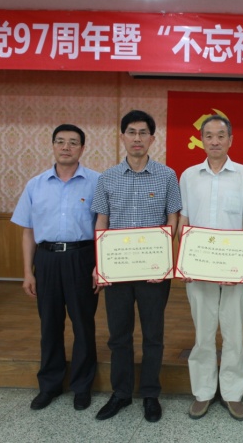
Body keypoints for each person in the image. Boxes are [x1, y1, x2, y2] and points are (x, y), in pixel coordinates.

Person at [91, 110, 182, 423]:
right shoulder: (107, 178)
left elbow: (173, 219)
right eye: (131, 132)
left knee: (153, 335)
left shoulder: (167, 176)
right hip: (117, 270)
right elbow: (102, 222)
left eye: (144, 133)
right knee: (119, 335)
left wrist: (164, 259)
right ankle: (121, 393)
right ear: (122, 137)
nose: (137, 138)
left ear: (153, 139)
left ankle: (150, 394)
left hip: (154, 271)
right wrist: (99, 264)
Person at [178, 115, 243, 421]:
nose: (214, 141)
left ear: (230, 140)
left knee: (233, 333)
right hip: (199, 269)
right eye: (209, 136)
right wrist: (184, 262)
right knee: (203, 333)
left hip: (234, 270)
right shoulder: (189, 176)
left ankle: (232, 393)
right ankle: (203, 392)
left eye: (220, 135)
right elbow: (184, 220)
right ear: (202, 139)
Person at [11, 124, 100, 411]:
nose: (66, 147)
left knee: (83, 324)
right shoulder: (35, 185)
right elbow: (28, 231)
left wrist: (100, 266)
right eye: (60, 141)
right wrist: (28, 272)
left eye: (73, 142)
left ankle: (82, 386)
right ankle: (49, 385)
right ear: (52, 146)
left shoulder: (97, 182)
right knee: (49, 324)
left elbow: (104, 228)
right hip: (46, 259)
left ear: (82, 148)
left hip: (82, 258)